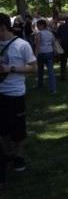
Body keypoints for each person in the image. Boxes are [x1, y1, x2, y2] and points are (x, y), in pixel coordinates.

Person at [0, 13, 37, 183]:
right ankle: (8, 154)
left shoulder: (22, 45)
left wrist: (11, 69)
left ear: (3, 27)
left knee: (18, 129)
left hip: (15, 93)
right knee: (3, 129)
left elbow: (32, 68)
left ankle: (18, 156)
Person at [34, 19, 57, 94]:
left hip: (41, 53)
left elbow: (37, 45)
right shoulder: (50, 33)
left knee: (40, 70)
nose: (37, 27)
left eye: (38, 25)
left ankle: (40, 84)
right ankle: (53, 89)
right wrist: (55, 51)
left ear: (42, 25)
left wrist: (35, 55)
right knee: (51, 71)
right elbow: (53, 43)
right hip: (50, 52)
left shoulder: (39, 33)